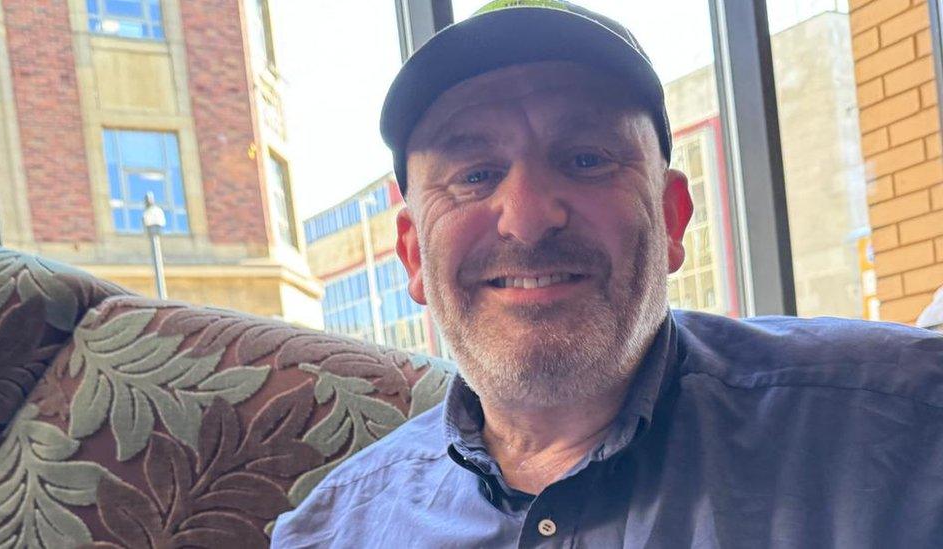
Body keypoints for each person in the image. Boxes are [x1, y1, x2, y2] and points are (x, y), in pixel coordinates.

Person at [272, 2, 943, 547]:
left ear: (673, 217)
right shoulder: (328, 531)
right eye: (475, 175)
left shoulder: (908, 427)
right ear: (414, 254)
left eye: (587, 158)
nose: (528, 218)